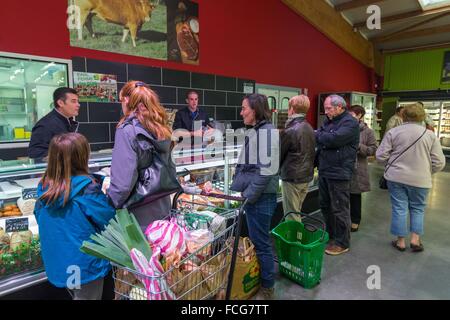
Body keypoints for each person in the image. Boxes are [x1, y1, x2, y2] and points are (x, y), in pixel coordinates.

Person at [34, 132, 115, 300]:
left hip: (58, 264)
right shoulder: (87, 190)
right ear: (82, 157)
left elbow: (39, 217)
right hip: (85, 266)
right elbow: (109, 221)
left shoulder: (45, 190)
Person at [376, 103, 445, 252]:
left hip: (396, 178)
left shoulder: (393, 133)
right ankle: (415, 240)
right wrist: (427, 171)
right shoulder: (430, 135)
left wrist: (392, 165)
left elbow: (380, 156)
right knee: (418, 208)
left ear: (403, 115)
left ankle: (400, 241)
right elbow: (439, 162)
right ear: (422, 116)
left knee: (399, 208)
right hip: (421, 180)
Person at [107, 81, 175, 230]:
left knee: (141, 254)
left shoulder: (127, 130)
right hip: (162, 209)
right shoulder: (162, 128)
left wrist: (110, 205)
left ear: (126, 100)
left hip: (138, 217)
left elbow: (123, 184)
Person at [230, 93, 279, 299]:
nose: (241, 112)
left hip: (260, 199)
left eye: (244, 108)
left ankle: (268, 287)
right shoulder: (259, 131)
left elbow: (265, 171)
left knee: (261, 244)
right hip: (256, 197)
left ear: (256, 110)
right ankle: (261, 279)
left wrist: (248, 195)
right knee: (259, 241)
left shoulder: (266, 133)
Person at [315, 95, 359, 256]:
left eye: (329, 108)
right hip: (325, 169)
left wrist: (321, 137)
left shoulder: (350, 122)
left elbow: (333, 139)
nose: (326, 112)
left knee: (340, 208)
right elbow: (322, 136)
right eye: (325, 108)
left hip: (339, 171)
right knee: (325, 205)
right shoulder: (329, 121)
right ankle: (331, 235)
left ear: (340, 107)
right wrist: (322, 137)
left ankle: (342, 242)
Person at [279, 95, 316, 220]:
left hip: (292, 178)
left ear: (292, 109)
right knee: (297, 211)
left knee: (291, 215)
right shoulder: (309, 127)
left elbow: (279, 154)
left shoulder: (290, 130)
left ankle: (296, 239)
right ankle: (297, 236)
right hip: (306, 176)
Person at [348, 105, 378, 232]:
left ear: (359, 115)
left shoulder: (368, 132)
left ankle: (355, 220)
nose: (348, 117)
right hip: (341, 166)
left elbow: (373, 150)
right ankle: (342, 219)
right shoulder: (344, 128)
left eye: (352, 115)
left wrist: (359, 146)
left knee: (355, 196)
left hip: (357, 168)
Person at [28, 87, 80, 159]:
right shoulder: (46, 124)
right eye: (73, 101)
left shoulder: (67, 121)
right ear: (60, 103)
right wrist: (64, 155)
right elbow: (35, 152)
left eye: (78, 101)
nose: (78, 105)